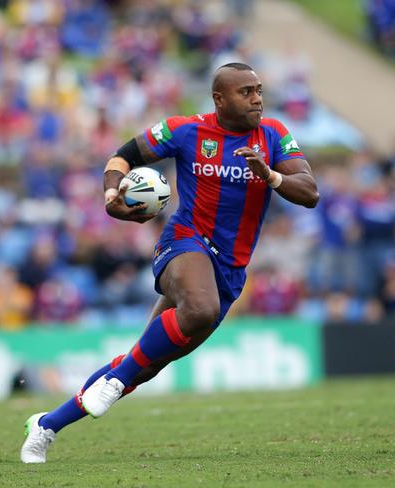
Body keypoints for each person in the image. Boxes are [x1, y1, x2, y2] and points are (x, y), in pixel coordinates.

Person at [20, 62, 319, 463]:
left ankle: (46, 425)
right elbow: (121, 157)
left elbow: (310, 192)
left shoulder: (274, 135)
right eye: (245, 91)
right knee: (199, 309)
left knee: (143, 365)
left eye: (259, 90)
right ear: (219, 98)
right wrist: (112, 198)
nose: (257, 99)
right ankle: (114, 383)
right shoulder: (185, 130)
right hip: (185, 242)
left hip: (231, 269)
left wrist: (272, 177)